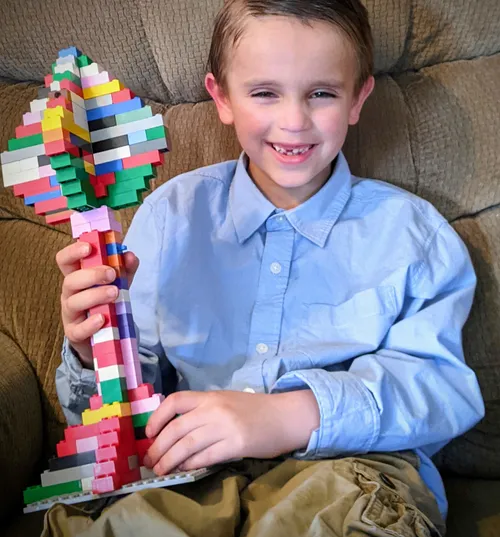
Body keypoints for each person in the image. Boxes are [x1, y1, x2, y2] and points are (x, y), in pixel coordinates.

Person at [53, 1, 484, 535]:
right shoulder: (171, 216)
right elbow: (123, 412)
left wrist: (290, 415)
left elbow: (440, 390)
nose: (294, 121)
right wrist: (92, 350)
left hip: (347, 469)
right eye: (264, 93)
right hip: (191, 470)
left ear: (358, 99)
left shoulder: (413, 235)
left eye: (321, 93)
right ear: (222, 97)